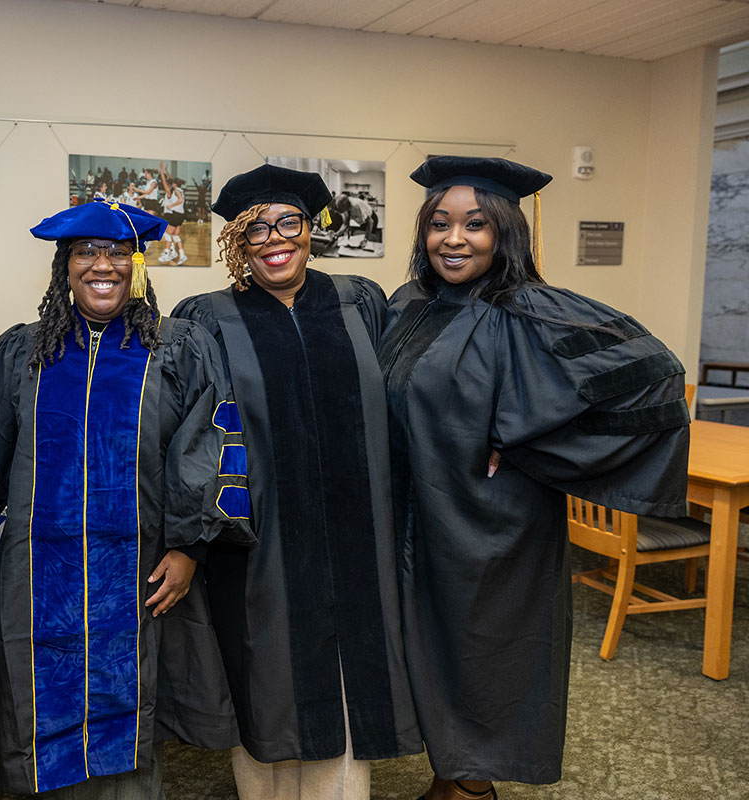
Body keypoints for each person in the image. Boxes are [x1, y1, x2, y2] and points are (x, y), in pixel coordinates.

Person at [380, 156, 690, 800]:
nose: (454, 238)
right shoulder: (410, 304)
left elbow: (653, 372)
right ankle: (450, 772)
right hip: (419, 509)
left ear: (504, 233)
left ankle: (470, 786)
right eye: (440, 224)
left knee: (483, 649)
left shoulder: (526, 308)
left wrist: (531, 445)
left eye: (475, 224)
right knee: (426, 641)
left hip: (494, 523)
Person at [0, 199, 251, 798]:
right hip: (34, 576)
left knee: (126, 710)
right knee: (31, 706)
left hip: (136, 572)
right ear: (64, 267)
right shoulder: (25, 351)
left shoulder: (177, 347)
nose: (102, 265)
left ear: (137, 265)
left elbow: (208, 447)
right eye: (85, 253)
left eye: (116, 253)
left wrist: (188, 550)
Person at [171, 164, 421, 800]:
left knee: (345, 676)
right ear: (237, 241)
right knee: (264, 674)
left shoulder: (359, 301)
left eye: (289, 223)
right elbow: (188, 432)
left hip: (358, 534)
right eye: (256, 228)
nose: (275, 238)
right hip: (259, 542)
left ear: (312, 230)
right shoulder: (206, 318)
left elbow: (411, 396)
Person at [157, 161, 187, 265]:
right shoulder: (180, 189)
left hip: (173, 214)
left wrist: (161, 170)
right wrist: (166, 171)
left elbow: (165, 182)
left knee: (167, 234)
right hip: (180, 215)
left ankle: (167, 253)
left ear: (173, 185)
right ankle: (181, 255)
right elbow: (171, 181)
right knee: (175, 236)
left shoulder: (171, 192)